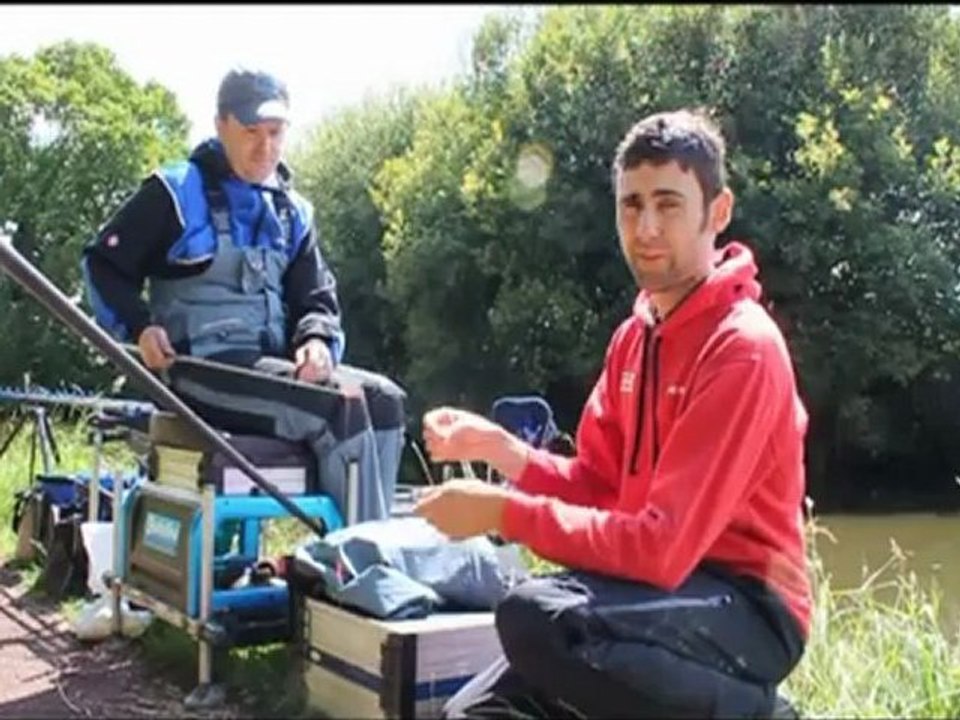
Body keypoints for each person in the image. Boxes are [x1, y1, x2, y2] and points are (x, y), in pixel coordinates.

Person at [415, 109, 810, 719]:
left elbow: (660, 548)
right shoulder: (634, 338)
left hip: (747, 606)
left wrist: (505, 513)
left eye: (669, 204)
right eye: (631, 205)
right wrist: (503, 451)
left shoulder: (741, 348)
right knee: (470, 714)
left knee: (536, 618)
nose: (647, 227)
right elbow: (599, 489)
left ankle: (757, 714)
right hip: (654, 594)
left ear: (718, 211)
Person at [81, 65, 406, 525]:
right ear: (221, 125)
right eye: (252, 131)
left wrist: (316, 339)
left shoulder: (293, 213)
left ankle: (369, 552)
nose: (265, 146)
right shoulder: (174, 193)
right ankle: (356, 570)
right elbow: (102, 265)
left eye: (275, 132)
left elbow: (317, 297)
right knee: (339, 407)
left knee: (385, 400)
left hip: (269, 370)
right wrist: (139, 326)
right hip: (194, 369)